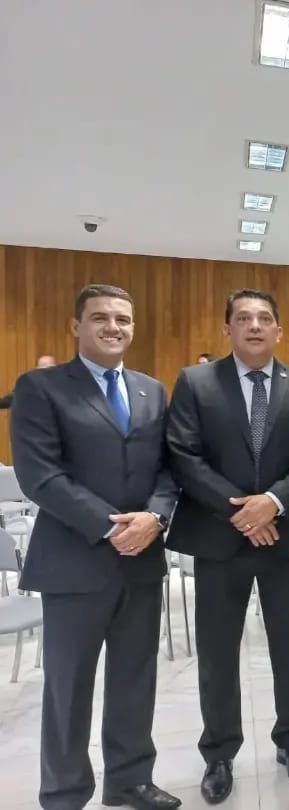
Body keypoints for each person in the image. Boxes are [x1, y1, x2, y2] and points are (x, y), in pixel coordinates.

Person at [11, 284, 180, 810]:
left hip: (141, 561)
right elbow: (40, 475)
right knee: (69, 686)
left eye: (123, 319)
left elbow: (168, 470)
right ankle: (64, 793)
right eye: (101, 317)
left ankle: (130, 779)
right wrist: (111, 527)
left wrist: (154, 517)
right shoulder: (40, 388)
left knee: (135, 678)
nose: (114, 327)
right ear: (75, 326)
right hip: (74, 563)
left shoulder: (151, 391)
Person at [166, 289, 289, 804]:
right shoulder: (196, 382)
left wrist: (273, 503)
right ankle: (219, 753)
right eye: (243, 318)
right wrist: (241, 511)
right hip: (219, 539)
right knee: (217, 654)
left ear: (279, 330)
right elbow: (183, 455)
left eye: (263, 319)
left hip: (286, 536)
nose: (254, 326)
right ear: (228, 329)